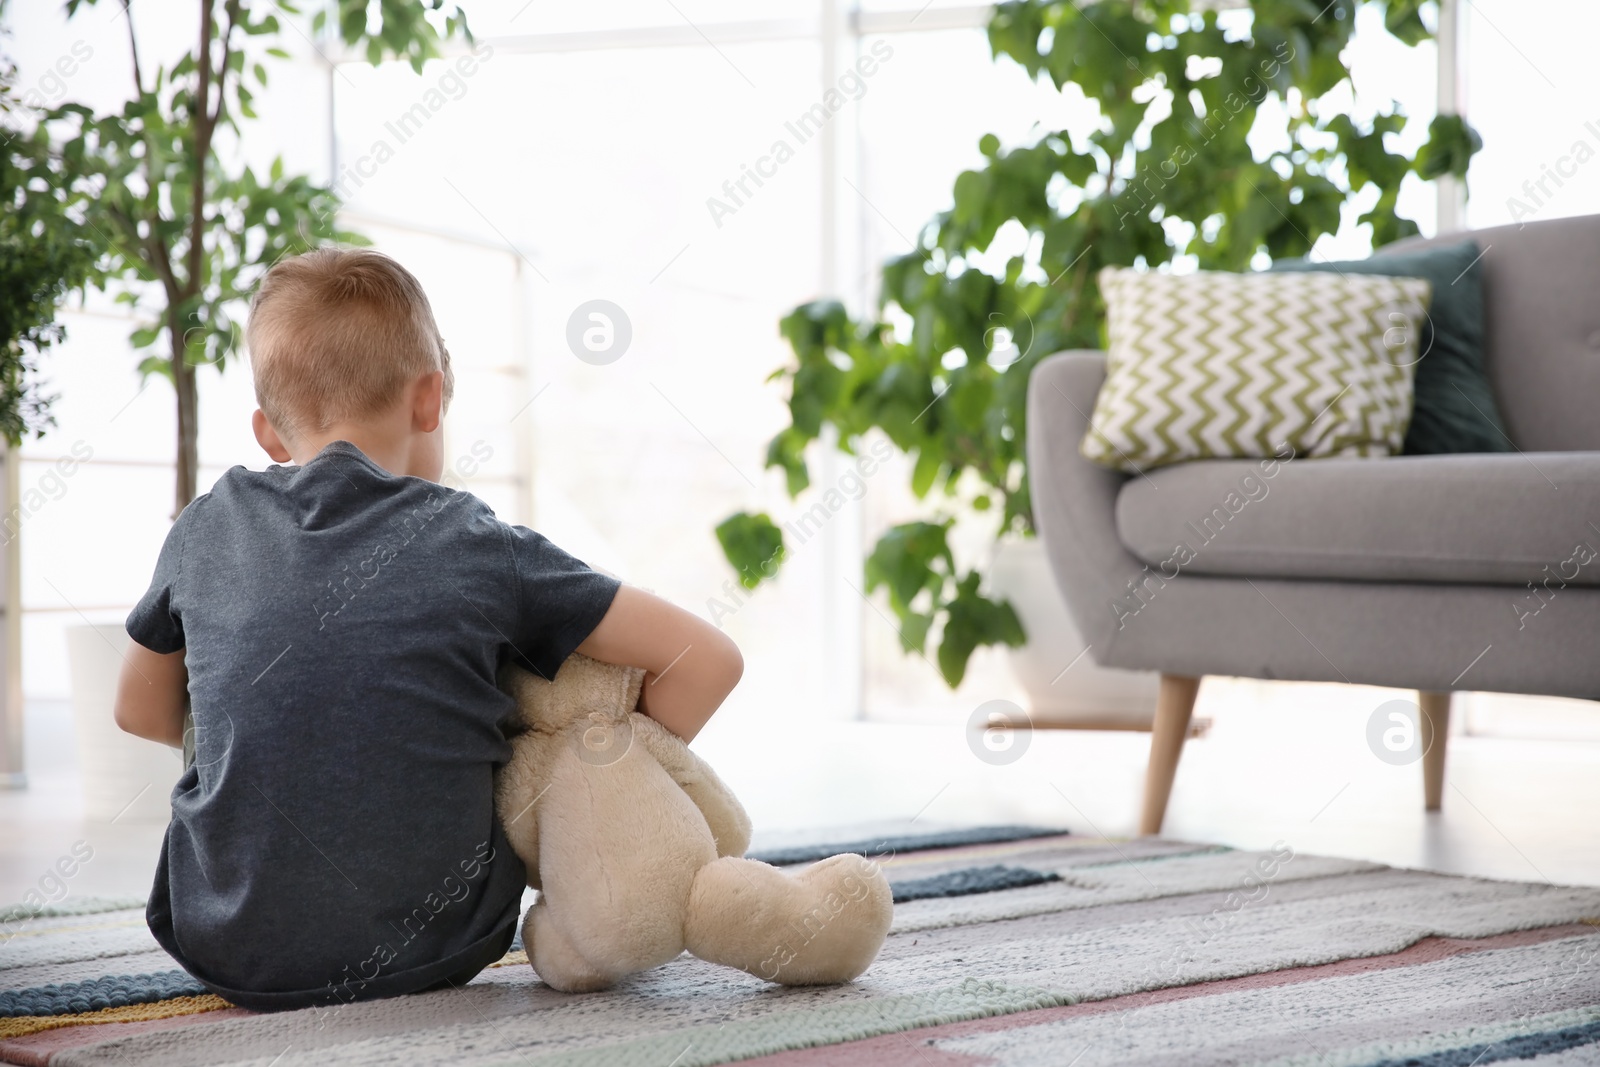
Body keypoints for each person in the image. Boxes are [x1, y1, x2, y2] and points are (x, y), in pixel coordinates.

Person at [112, 248, 743, 1011]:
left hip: (224, 945)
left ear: (269, 434)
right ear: (429, 398)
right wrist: (584, 767)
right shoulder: (476, 541)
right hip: (441, 943)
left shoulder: (205, 525)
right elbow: (708, 659)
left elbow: (138, 710)